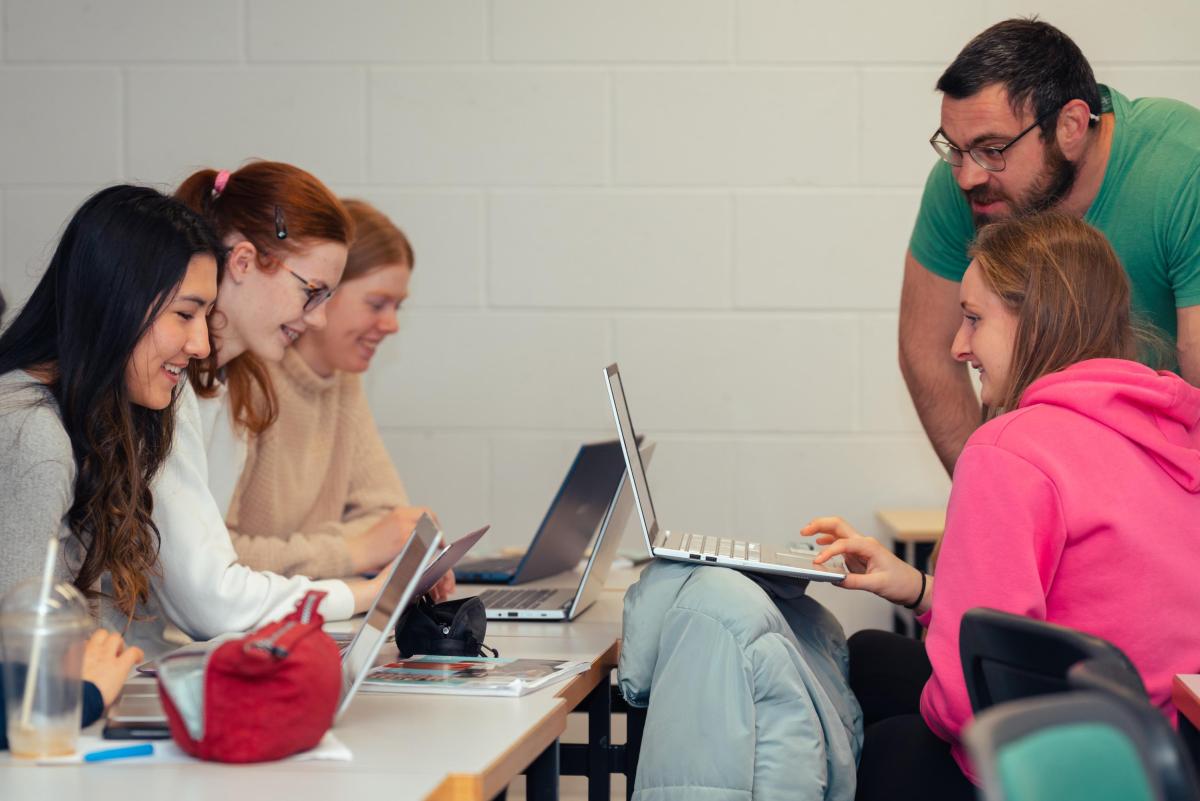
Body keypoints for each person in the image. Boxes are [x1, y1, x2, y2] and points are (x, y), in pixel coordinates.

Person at [807, 212, 1200, 800]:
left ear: (1036, 319)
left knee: (891, 744)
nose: (958, 346)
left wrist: (930, 715)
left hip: (1076, 766)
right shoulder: (1171, 431)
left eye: (973, 318)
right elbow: (1087, 610)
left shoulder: (1009, 448)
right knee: (874, 658)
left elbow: (965, 706)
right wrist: (921, 589)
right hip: (1167, 754)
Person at [899, 17, 1200, 475]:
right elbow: (928, 351)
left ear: (1071, 125)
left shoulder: (1182, 168)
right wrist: (991, 491)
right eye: (954, 149)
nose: (967, 175)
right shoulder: (968, 182)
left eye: (993, 148)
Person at [134, 162, 389, 657]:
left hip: (167, 653)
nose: (316, 320)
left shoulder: (235, 387)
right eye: (311, 292)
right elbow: (211, 601)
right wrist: (367, 594)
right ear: (245, 262)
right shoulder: (165, 387)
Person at [0, 185, 219, 731]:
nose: (202, 346)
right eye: (185, 315)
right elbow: (22, 689)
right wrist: (88, 695)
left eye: (207, 317)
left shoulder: (85, 420)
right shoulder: (32, 436)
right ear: (114, 304)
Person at [226, 200, 451, 598]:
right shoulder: (245, 383)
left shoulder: (342, 379)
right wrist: (353, 550)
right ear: (322, 290)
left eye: (397, 307)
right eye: (377, 303)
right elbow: (220, 560)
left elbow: (388, 520)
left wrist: (366, 547)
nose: (392, 324)